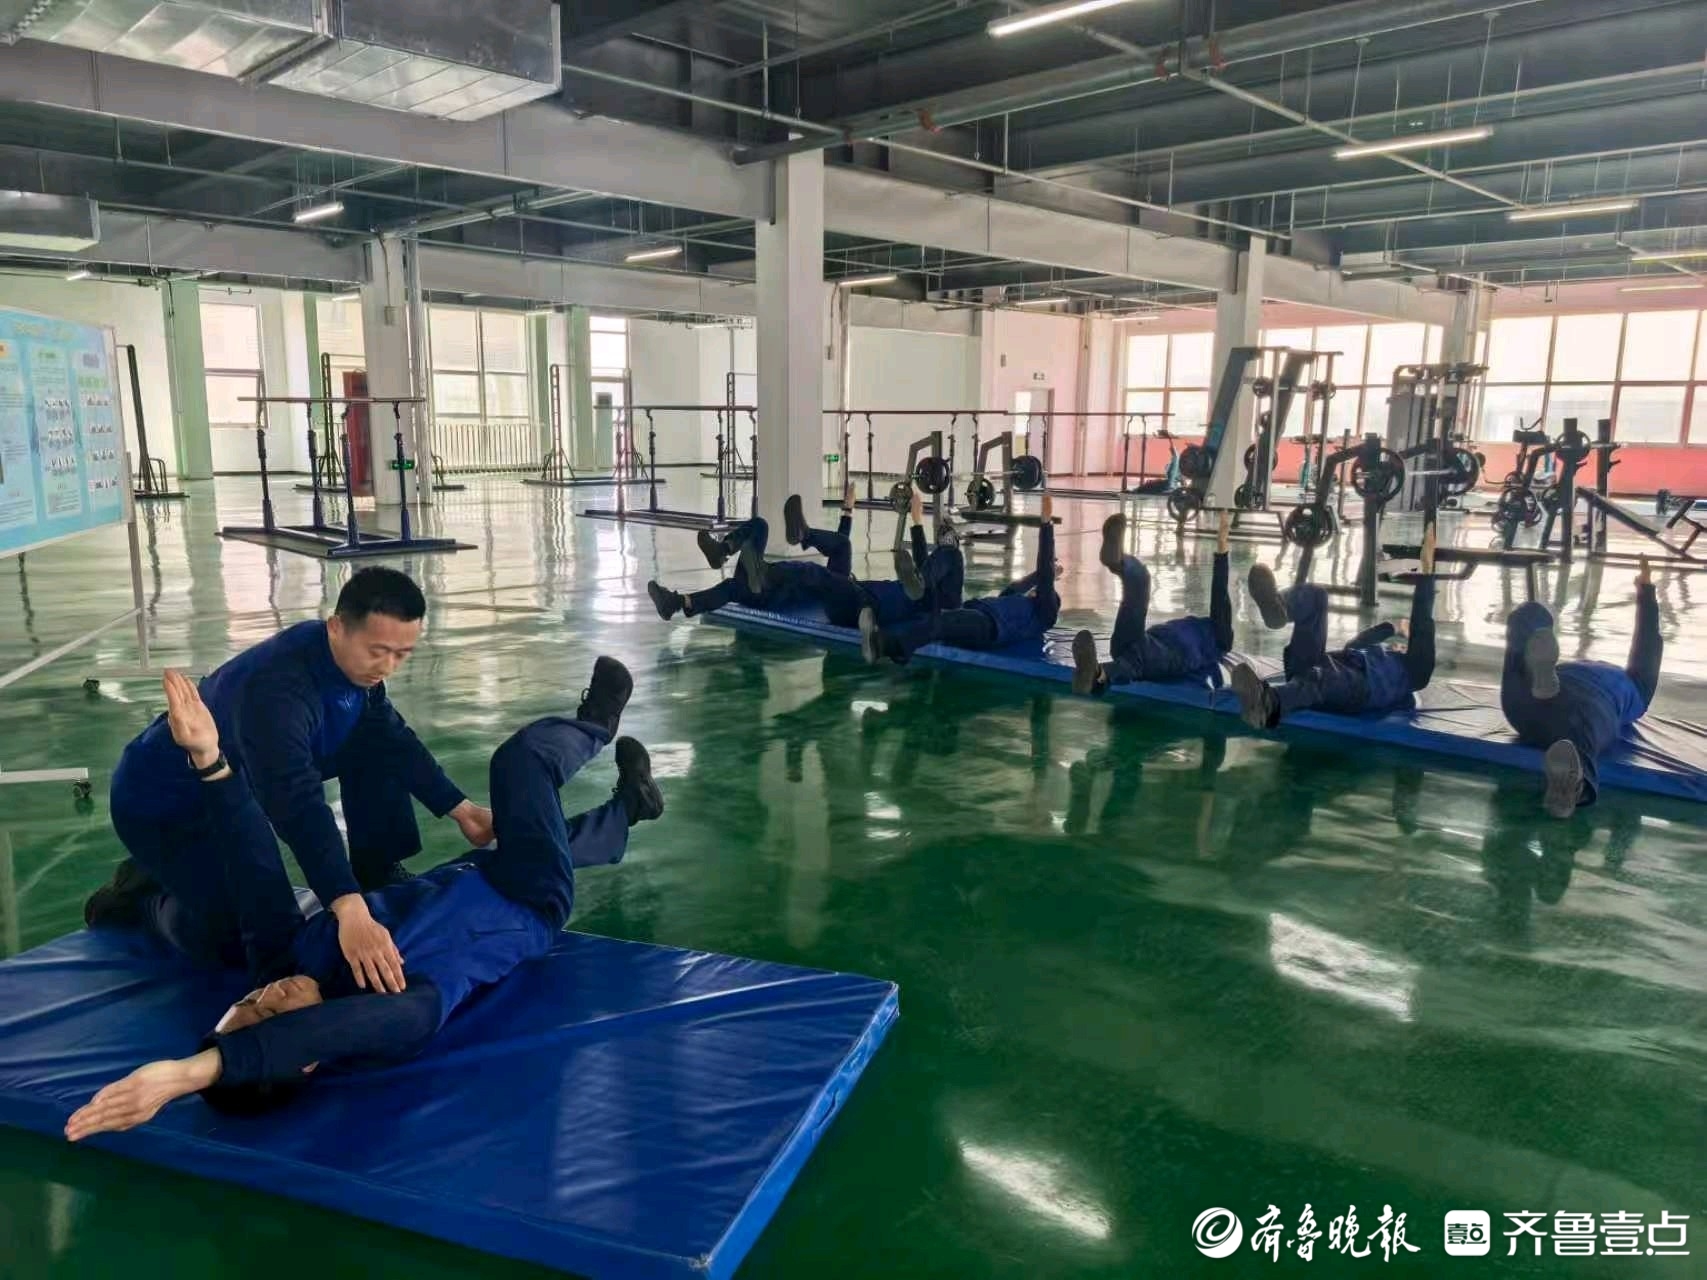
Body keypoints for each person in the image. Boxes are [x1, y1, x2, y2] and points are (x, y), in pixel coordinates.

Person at [65, 662, 663, 1141]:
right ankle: (595, 725)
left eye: (246, 1001)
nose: (266, 994)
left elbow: (255, 865)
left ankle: (628, 812)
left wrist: (211, 762)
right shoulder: (397, 1013)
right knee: (521, 764)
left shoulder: (282, 962)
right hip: (528, 896)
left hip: (451, 883)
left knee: (537, 833)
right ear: (306, 1055)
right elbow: (313, 1035)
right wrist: (190, 1074)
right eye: (270, 1014)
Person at [90, 568, 493, 994]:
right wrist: (348, 908)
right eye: (378, 651)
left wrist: (463, 810)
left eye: (402, 654)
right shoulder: (277, 691)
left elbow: (389, 734)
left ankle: (376, 868)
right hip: (166, 805)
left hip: (235, 784)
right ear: (336, 627)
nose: (388, 667)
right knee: (234, 940)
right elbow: (296, 804)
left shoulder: (356, 667)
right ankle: (142, 897)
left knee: (373, 741)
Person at [647, 487, 963, 627]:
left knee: (812, 573)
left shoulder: (932, 604)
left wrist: (927, 532)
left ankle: (799, 539)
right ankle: (721, 552)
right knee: (760, 526)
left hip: (814, 595)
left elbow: (935, 578)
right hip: (824, 588)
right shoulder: (919, 591)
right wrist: (849, 509)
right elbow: (843, 545)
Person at [1501, 557, 1661, 819]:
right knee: (1583, 734)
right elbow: (1649, 648)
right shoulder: (1634, 693)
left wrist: (1646, 590)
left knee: (1527, 626)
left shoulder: (1600, 676)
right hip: (1580, 709)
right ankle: (1578, 787)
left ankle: (1530, 629)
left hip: (1525, 705)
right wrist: (1646, 592)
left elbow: (1647, 648)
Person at [1230, 529, 1438, 729]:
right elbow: (1357, 642)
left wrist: (1427, 573)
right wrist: (1394, 626)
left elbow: (1423, 625)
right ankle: (1279, 610)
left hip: (1358, 691)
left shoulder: (1415, 673)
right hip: (1318, 666)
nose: (1399, 646)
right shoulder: (1371, 653)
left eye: (1404, 646)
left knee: (1321, 678)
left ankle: (1269, 704)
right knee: (1317, 596)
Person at [862, 496, 1060, 665]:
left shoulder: (1044, 613)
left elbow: (1045, 576)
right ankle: (923, 572)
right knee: (950, 557)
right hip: (963, 610)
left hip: (985, 627)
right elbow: (1019, 586)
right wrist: (917, 522)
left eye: (1036, 591)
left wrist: (1046, 524)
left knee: (940, 622)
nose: (1031, 590)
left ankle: (885, 646)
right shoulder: (1014, 601)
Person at [1071, 510, 1234, 695]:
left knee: (1137, 658)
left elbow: (1220, 594)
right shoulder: (1212, 635)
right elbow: (1220, 596)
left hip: (1169, 654)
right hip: (1140, 641)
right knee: (1141, 584)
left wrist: (1222, 548)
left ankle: (1099, 676)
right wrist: (1222, 546)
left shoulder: (1222, 640)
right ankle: (1119, 562)